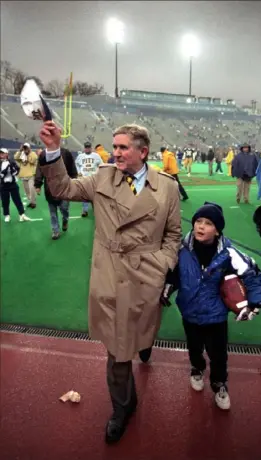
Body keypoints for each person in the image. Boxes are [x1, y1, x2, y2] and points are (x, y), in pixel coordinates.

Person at [39, 121, 182, 444]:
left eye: (122, 148)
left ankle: (144, 345)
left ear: (142, 152)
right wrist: (52, 149)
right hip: (110, 274)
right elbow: (62, 189)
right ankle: (123, 406)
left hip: (147, 273)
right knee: (118, 350)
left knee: (142, 332)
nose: (115, 152)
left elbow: (173, 234)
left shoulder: (168, 187)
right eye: (114, 147)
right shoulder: (103, 176)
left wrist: (162, 264)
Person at [164, 202, 261, 410]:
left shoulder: (228, 253)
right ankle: (197, 368)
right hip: (190, 312)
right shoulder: (182, 250)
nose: (201, 226)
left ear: (218, 229)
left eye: (208, 223)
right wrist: (167, 288)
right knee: (194, 347)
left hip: (216, 315)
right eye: (198, 222)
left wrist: (256, 301)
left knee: (218, 353)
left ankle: (219, 383)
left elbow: (252, 275)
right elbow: (173, 274)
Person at [34, 148, 78, 240]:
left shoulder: (66, 153)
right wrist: (38, 184)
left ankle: (65, 220)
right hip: (50, 188)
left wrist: (74, 179)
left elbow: (72, 167)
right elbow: (39, 170)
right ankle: (55, 231)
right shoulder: (43, 155)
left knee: (64, 209)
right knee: (53, 212)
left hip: (64, 187)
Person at [0, 147, 31, 223]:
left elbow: (17, 170)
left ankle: (22, 215)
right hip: (3, 185)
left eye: (3, 153)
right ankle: (7, 215)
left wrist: (13, 170)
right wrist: (5, 170)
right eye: (0, 153)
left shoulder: (12, 162)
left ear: (6, 154)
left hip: (12, 184)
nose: (1, 155)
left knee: (17, 200)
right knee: (5, 201)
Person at [75, 141, 103, 217]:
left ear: (91, 148)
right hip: (84, 178)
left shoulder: (96, 156)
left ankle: (96, 209)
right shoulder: (80, 156)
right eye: (86, 147)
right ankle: (85, 210)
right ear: (84, 148)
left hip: (94, 178)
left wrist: (99, 174)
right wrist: (78, 172)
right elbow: (76, 164)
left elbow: (101, 164)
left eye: (88, 147)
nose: (87, 149)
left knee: (95, 195)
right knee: (85, 195)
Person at [14, 143, 38, 208]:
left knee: (32, 189)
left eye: (26, 147)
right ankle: (30, 201)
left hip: (31, 175)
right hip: (24, 175)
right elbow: (15, 157)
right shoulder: (22, 154)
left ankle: (33, 203)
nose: (25, 149)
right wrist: (20, 150)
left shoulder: (33, 154)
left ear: (29, 148)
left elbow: (32, 160)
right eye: (24, 148)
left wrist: (27, 154)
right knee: (27, 191)